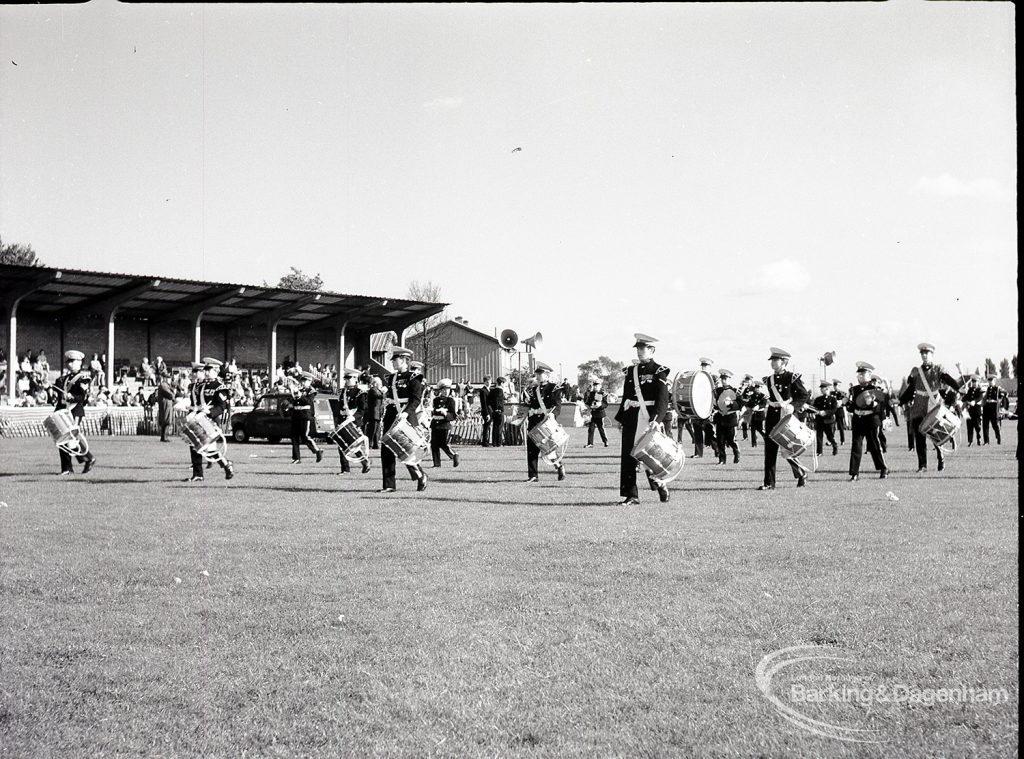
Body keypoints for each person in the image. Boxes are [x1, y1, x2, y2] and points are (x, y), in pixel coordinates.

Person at [615, 334, 671, 504]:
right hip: (631, 416)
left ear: (651, 350)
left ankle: (660, 483)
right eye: (638, 349)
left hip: (647, 417)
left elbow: (663, 399)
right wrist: (620, 418)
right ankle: (631, 495)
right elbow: (626, 395)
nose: (639, 352)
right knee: (628, 456)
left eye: (643, 348)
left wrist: (657, 419)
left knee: (647, 455)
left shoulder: (659, 371)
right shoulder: (631, 371)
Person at [898, 342, 961, 473]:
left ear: (932, 355)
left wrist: (957, 388)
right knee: (919, 437)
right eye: (923, 353)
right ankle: (922, 466)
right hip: (918, 407)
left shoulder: (938, 369)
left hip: (933, 405)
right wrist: (901, 401)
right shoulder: (916, 372)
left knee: (936, 434)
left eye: (927, 353)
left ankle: (941, 457)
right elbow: (911, 390)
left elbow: (947, 378)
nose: (925, 356)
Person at [759, 347, 810, 490]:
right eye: (772, 360)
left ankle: (801, 473)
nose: (773, 363)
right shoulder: (769, 380)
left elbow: (803, 395)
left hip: (786, 415)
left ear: (784, 362)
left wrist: (794, 406)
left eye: (776, 360)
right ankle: (769, 483)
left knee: (788, 448)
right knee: (770, 450)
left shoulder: (792, 377)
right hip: (772, 415)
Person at [380, 348, 428, 493]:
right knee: (386, 449)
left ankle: (420, 474)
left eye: (395, 360)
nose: (393, 362)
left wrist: (406, 413)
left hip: (406, 416)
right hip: (391, 414)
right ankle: (389, 485)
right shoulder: (392, 378)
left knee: (407, 450)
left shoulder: (414, 377)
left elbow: (415, 399)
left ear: (403, 360)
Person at [185, 358, 235, 482]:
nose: (206, 372)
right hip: (200, 418)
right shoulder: (202, 385)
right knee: (195, 444)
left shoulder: (219, 387)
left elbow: (222, 406)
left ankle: (226, 465)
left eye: (209, 370)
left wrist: (210, 412)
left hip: (210, 419)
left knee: (209, 448)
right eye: (205, 370)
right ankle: (198, 474)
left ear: (216, 371)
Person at [51, 350, 97, 475]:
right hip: (63, 411)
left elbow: (82, 397)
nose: (69, 364)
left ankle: (88, 457)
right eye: (68, 361)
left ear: (79, 363)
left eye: (72, 361)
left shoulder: (83, 378)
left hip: (75, 411)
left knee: (70, 437)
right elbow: (59, 396)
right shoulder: (63, 379)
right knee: (61, 438)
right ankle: (67, 468)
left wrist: (71, 397)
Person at [522, 362, 565, 482]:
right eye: (537, 374)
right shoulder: (533, 389)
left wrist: (553, 414)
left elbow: (557, 405)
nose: (538, 376)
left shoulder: (554, 388)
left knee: (548, 449)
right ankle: (533, 475)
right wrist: (526, 402)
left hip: (545, 421)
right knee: (531, 449)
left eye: (540, 374)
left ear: (547, 374)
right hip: (533, 421)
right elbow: (529, 405)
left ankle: (559, 466)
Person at [847, 362, 888, 480]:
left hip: (871, 420)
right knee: (856, 446)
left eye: (863, 374)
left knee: (875, 445)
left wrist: (874, 404)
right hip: (858, 420)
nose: (860, 376)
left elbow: (881, 407)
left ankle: (883, 468)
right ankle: (854, 473)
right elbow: (852, 407)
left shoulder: (874, 389)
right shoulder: (854, 390)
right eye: (859, 374)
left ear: (869, 375)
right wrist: (847, 403)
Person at [337, 369, 371, 474]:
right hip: (343, 419)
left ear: (355, 379)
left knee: (354, 445)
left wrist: (354, 417)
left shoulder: (360, 392)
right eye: (346, 378)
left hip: (354, 421)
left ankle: (365, 461)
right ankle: (345, 469)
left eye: (349, 378)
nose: (347, 381)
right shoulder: (342, 392)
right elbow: (339, 406)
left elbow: (362, 409)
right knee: (341, 445)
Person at [289, 371, 324, 465]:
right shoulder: (299, 389)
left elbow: (308, 401)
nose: (303, 382)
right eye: (302, 380)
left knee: (305, 436)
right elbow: (293, 400)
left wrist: (300, 396)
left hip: (305, 415)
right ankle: (296, 458)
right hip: (296, 414)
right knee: (294, 437)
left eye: (305, 381)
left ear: (310, 381)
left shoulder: (312, 391)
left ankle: (317, 450)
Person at [690, 357, 718, 459]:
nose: (704, 367)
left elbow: (716, 395)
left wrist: (714, 410)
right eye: (703, 366)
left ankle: (717, 450)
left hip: (709, 409)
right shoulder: (697, 377)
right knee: (697, 431)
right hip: (698, 408)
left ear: (710, 367)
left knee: (709, 432)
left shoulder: (715, 379)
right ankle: (698, 453)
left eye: (706, 366)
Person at [429, 378, 461, 468]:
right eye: (443, 390)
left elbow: (453, 415)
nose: (445, 392)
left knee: (443, 443)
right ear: (440, 390)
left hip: (444, 424)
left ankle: (454, 455)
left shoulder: (451, 401)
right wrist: (436, 411)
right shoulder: (436, 400)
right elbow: (434, 411)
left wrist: (446, 413)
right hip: (436, 423)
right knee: (434, 444)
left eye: (447, 390)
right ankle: (436, 464)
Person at [713, 369, 741, 464]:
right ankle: (722, 460)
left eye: (725, 379)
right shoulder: (717, 391)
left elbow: (740, 404)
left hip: (730, 418)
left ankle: (736, 451)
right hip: (720, 417)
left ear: (729, 379)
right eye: (722, 379)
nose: (723, 381)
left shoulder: (735, 391)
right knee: (720, 440)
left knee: (730, 440)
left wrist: (731, 403)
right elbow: (715, 403)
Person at [811, 380, 839, 456]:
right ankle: (819, 452)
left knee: (830, 437)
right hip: (819, 420)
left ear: (827, 389)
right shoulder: (818, 399)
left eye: (822, 388)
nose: (821, 390)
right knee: (819, 437)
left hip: (828, 421)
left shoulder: (832, 399)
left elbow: (834, 410)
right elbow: (814, 408)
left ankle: (834, 446)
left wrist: (825, 412)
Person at [583, 377, 609, 448]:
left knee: (601, 428)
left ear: (600, 385)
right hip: (593, 413)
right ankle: (590, 443)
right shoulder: (591, 393)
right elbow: (587, 402)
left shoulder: (603, 393)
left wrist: (599, 405)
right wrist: (589, 405)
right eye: (594, 385)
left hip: (600, 413)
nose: (595, 386)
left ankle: (605, 441)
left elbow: (605, 404)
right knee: (591, 429)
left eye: (597, 385)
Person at [981, 374, 1005, 445]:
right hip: (987, 408)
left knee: (995, 425)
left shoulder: (998, 389)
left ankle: (998, 438)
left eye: (991, 381)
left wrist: (1001, 406)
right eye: (989, 381)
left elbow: (1002, 398)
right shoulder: (988, 389)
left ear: (994, 381)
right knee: (985, 425)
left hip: (993, 408)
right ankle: (986, 441)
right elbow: (985, 398)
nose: (990, 382)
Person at [962, 374, 984, 446]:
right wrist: (964, 393)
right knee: (969, 426)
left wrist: (974, 401)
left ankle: (979, 438)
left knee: (977, 426)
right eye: (973, 382)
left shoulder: (979, 390)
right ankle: (970, 441)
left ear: (978, 382)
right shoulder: (969, 390)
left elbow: (980, 397)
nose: (974, 383)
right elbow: (964, 399)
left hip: (976, 410)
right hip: (970, 410)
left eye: (975, 382)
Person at [363, 375, 384, 449]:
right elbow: (379, 396)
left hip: (377, 413)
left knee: (377, 430)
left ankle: (376, 443)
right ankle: (369, 443)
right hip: (373, 413)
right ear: (376, 383)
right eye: (380, 384)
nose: (381, 385)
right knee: (372, 429)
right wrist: (383, 391)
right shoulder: (373, 390)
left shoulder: (377, 390)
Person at [487, 378, 506, 447]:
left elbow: (489, 401)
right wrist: (499, 408)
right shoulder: (500, 390)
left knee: (495, 427)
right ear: (501, 383)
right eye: (504, 383)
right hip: (499, 411)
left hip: (493, 411)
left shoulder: (492, 390)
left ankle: (494, 442)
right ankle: (499, 443)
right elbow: (498, 401)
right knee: (500, 427)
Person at [830, 379, 848, 446]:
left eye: (836, 385)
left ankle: (842, 440)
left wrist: (841, 403)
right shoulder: (832, 393)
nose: (835, 387)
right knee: (832, 427)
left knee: (840, 427)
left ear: (839, 386)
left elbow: (846, 401)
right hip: (833, 411)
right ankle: (831, 440)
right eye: (834, 385)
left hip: (839, 411)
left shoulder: (842, 393)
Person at [477, 376, 493, 446]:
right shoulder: (483, 391)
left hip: (490, 410)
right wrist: (487, 413)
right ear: (485, 382)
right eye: (487, 382)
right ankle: (484, 442)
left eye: (489, 381)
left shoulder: (489, 390)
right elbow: (484, 403)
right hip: (486, 410)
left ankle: (487, 440)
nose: (489, 383)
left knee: (488, 426)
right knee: (486, 426)